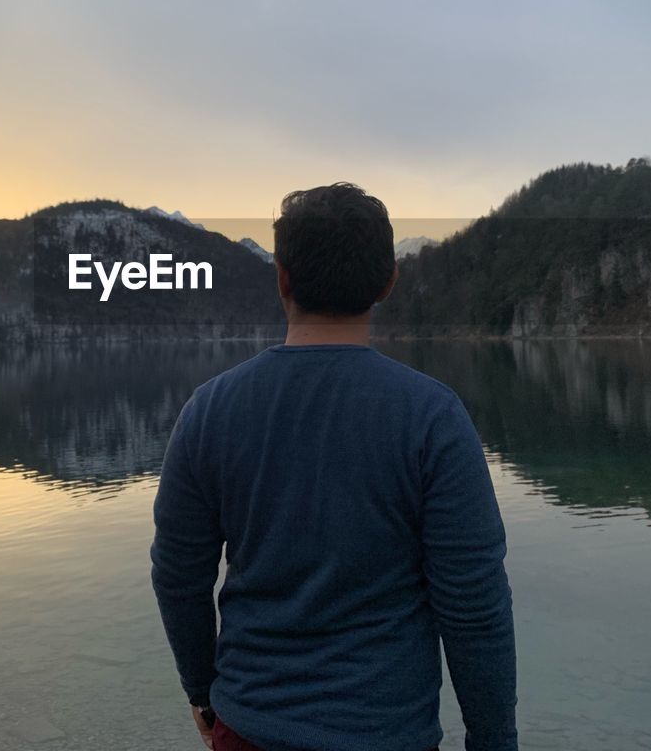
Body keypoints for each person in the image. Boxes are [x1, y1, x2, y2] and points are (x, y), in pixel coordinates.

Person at [150, 182, 517, 751]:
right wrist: (494, 739)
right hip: (389, 734)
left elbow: (179, 577)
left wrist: (202, 689)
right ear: (387, 283)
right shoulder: (432, 417)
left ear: (282, 278)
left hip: (248, 728)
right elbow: (473, 605)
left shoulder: (209, 411)